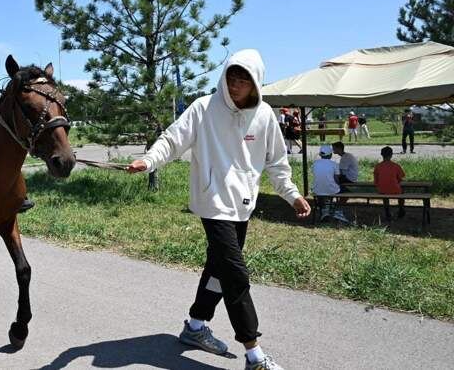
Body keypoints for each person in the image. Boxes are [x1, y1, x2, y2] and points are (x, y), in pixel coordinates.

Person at [127, 49, 311, 370]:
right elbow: (173, 139)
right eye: (231, 76)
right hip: (211, 202)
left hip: (241, 205)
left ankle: (196, 326)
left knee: (217, 270)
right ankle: (254, 355)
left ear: (256, 82)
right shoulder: (204, 108)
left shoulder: (265, 115)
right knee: (235, 275)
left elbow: (277, 163)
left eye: (244, 79)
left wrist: (291, 194)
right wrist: (149, 160)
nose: (236, 84)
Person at [312, 144, 343, 221]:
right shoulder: (334, 164)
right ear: (330, 155)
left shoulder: (315, 163)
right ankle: (331, 210)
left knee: (322, 189)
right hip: (331, 190)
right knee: (333, 189)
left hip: (317, 190)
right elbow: (337, 179)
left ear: (321, 155)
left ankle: (324, 210)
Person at [374, 146, 406, 220]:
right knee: (402, 190)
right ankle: (401, 209)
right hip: (395, 190)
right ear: (391, 155)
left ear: (381, 155)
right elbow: (401, 177)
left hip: (381, 190)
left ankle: (387, 211)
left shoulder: (377, 166)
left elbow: (376, 181)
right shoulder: (396, 166)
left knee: (385, 193)